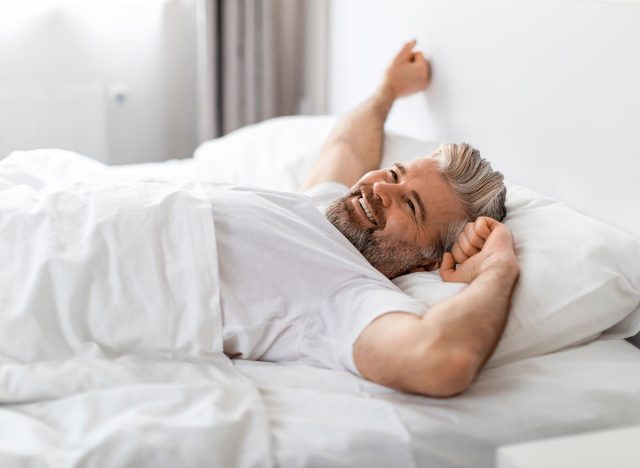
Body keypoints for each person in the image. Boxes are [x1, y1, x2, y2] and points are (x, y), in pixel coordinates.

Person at [216, 40, 519, 398]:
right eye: (393, 174)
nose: (380, 191)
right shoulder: (318, 207)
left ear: (427, 261)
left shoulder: (344, 293)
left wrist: (498, 266)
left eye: (410, 206)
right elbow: (344, 146)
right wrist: (388, 91)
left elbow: (438, 360)